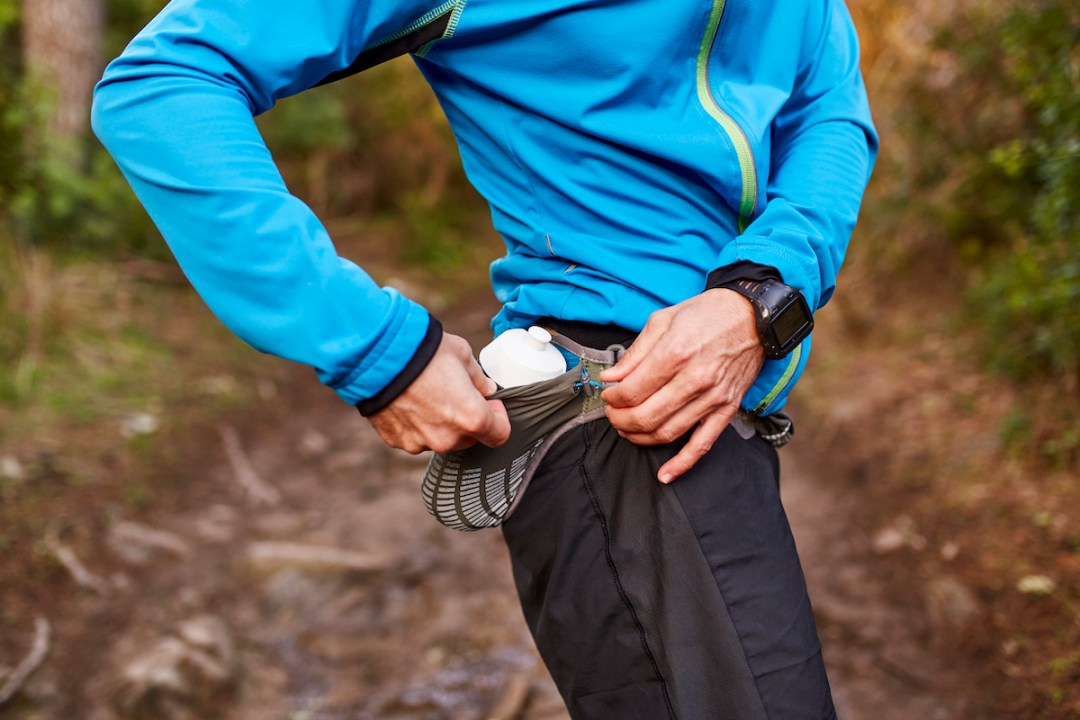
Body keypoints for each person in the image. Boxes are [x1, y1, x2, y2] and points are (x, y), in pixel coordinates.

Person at [93, 0, 877, 717]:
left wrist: (762, 293)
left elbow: (828, 110)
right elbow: (164, 84)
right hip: (615, 422)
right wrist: (377, 348)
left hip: (726, 404)